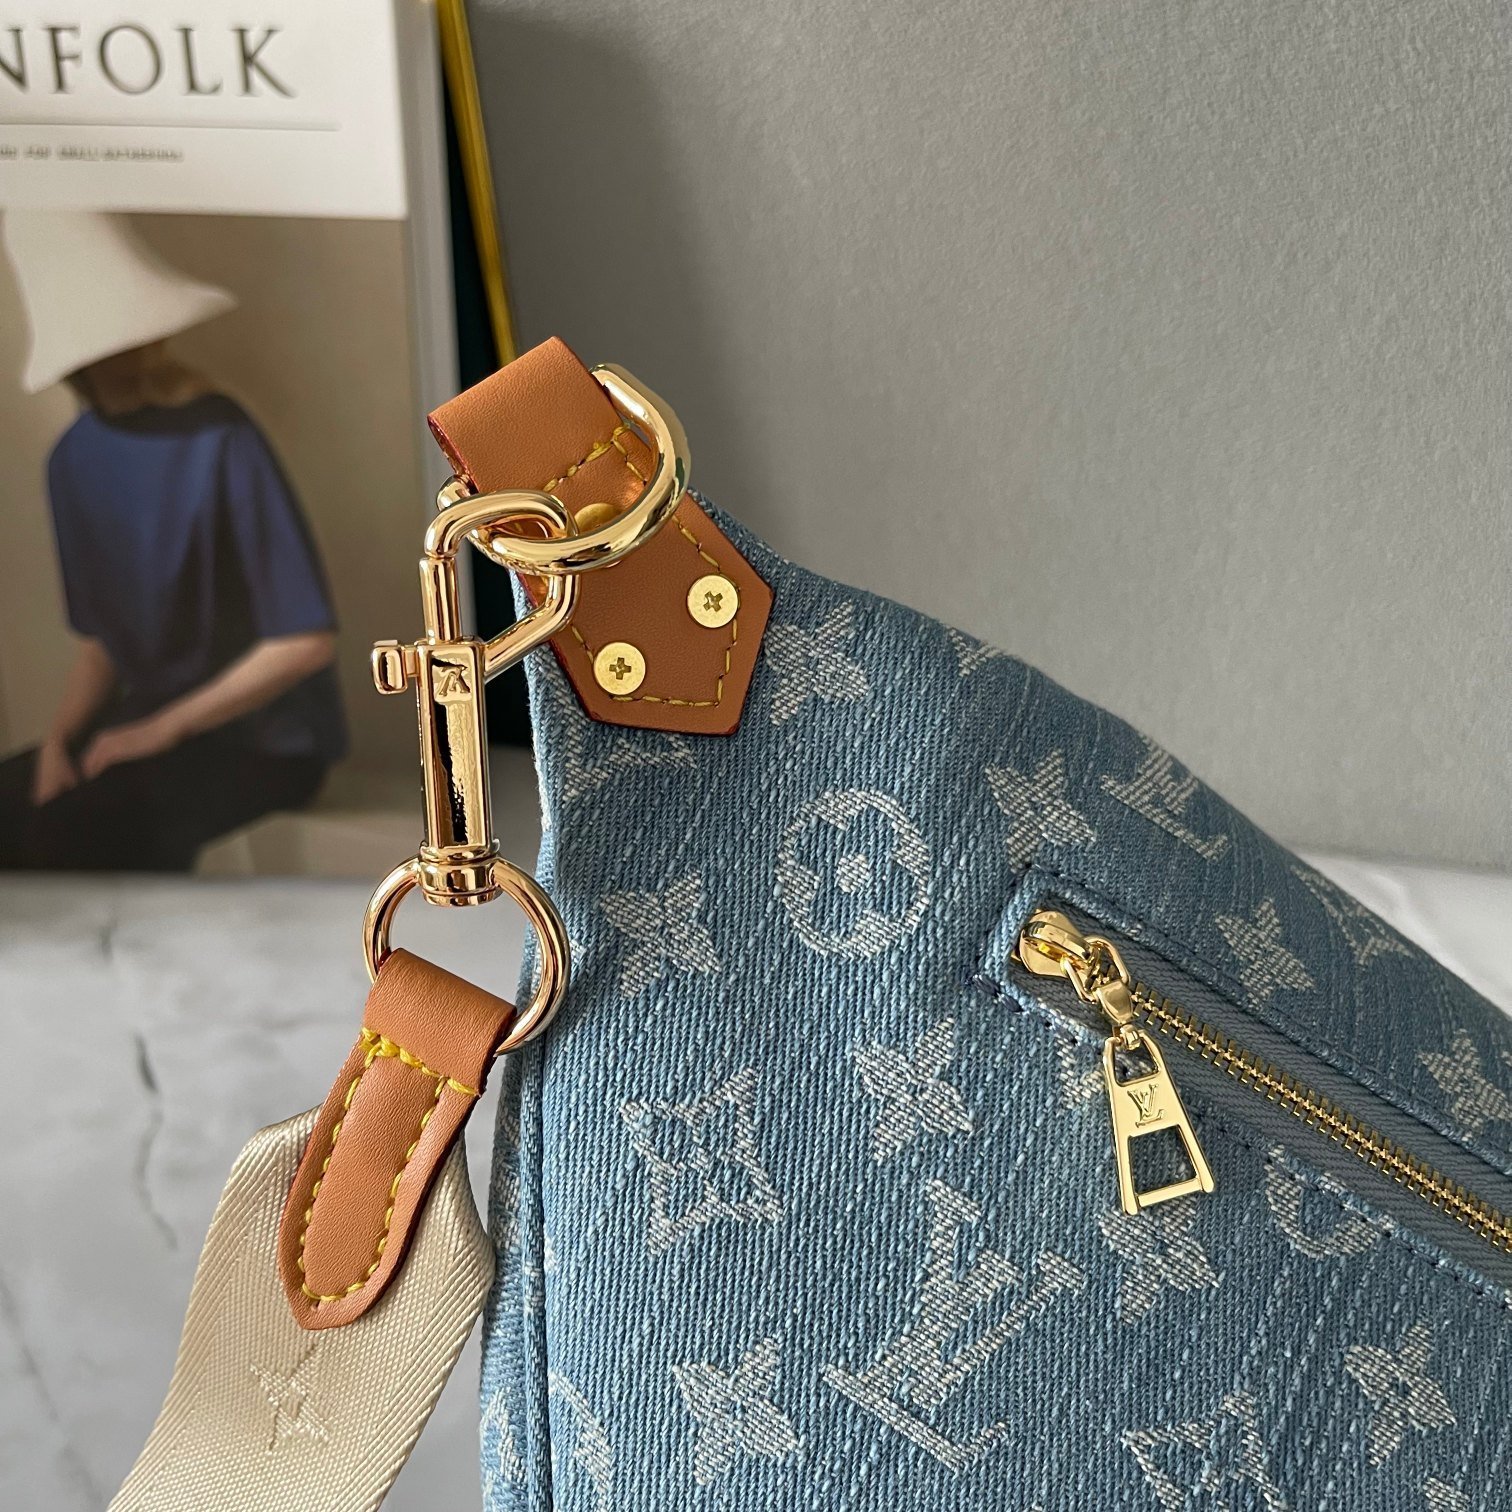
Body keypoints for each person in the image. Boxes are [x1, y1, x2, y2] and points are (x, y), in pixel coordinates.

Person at [0, 210, 346, 871]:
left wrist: (159, 731)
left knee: (66, 836)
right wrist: (58, 742)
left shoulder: (221, 435)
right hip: (144, 725)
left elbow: (305, 642)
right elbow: (102, 642)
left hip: (267, 744)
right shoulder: (69, 461)